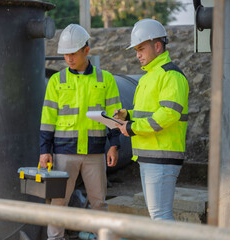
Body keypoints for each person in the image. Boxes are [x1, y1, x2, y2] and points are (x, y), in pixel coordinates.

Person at [39, 24, 122, 239]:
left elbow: (115, 117)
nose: (68, 59)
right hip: (63, 153)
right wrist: (44, 150)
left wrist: (114, 145)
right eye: (65, 54)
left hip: (94, 153)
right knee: (58, 203)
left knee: (99, 203)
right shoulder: (57, 81)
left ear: (86, 50)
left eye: (73, 53)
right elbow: (48, 119)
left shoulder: (106, 79)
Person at [114, 19, 189, 221]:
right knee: (157, 215)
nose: (137, 54)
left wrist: (133, 128)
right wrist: (127, 115)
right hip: (150, 155)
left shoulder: (171, 75)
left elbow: (168, 114)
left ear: (157, 46)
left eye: (141, 48)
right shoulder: (149, 76)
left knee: (160, 216)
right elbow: (149, 111)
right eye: (136, 50)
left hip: (162, 156)